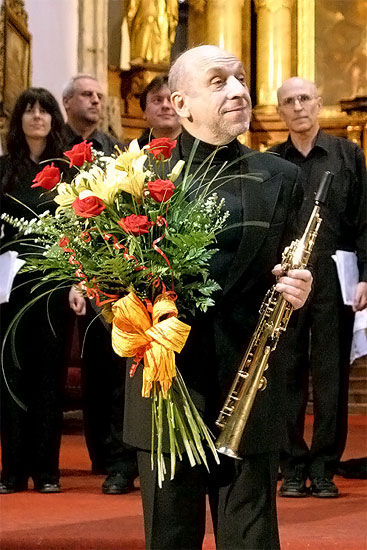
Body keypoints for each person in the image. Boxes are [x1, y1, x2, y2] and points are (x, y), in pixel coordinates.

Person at [122, 45, 313, 550]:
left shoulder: (284, 177)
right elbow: (107, 286)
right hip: (165, 388)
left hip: (248, 388)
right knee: (171, 537)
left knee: (251, 537)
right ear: (180, 104)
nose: (239, 90)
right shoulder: (138, 180)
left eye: (242, 79)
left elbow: (294, 277)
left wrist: (300, 289)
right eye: (219, 81)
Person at [270, 77, 367, 498]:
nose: (298, 106)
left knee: (330, 377)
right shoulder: (272, 161)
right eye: (288, 101)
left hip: (334, 275)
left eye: (304, 98)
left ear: (319, 102)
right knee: (287, 372)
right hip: (287, 281)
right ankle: (292, 465)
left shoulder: (348, 154)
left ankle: (325, 466)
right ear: (280, 111)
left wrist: (366, 276)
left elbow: (364, 219)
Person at [62, 74, 138, 494]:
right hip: (52, 271)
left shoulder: (114, 149)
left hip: (104, 272)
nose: (95, 100)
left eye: (99, 96)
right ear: (67, 101)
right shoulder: (52, 148)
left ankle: (111, 454)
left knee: (107, 367)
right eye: (87, 95)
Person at [0, 88, 68, 494]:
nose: (37, 116)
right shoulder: (4, 169)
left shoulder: (68, 173)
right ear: (19, 120)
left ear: (54, 120)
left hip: (52, 282)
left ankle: (46, 470)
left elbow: (79, 230)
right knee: (10, 375)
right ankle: (11, 471)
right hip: (8, 283)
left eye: (45, 110)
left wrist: (78, 281)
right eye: (30, 110)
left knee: (48, 377)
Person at [137, 75, 181, 147]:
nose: (165, 105)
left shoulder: (201, 152)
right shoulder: (131, 153)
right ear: (144, 111)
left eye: (171, 99)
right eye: (157, 100)